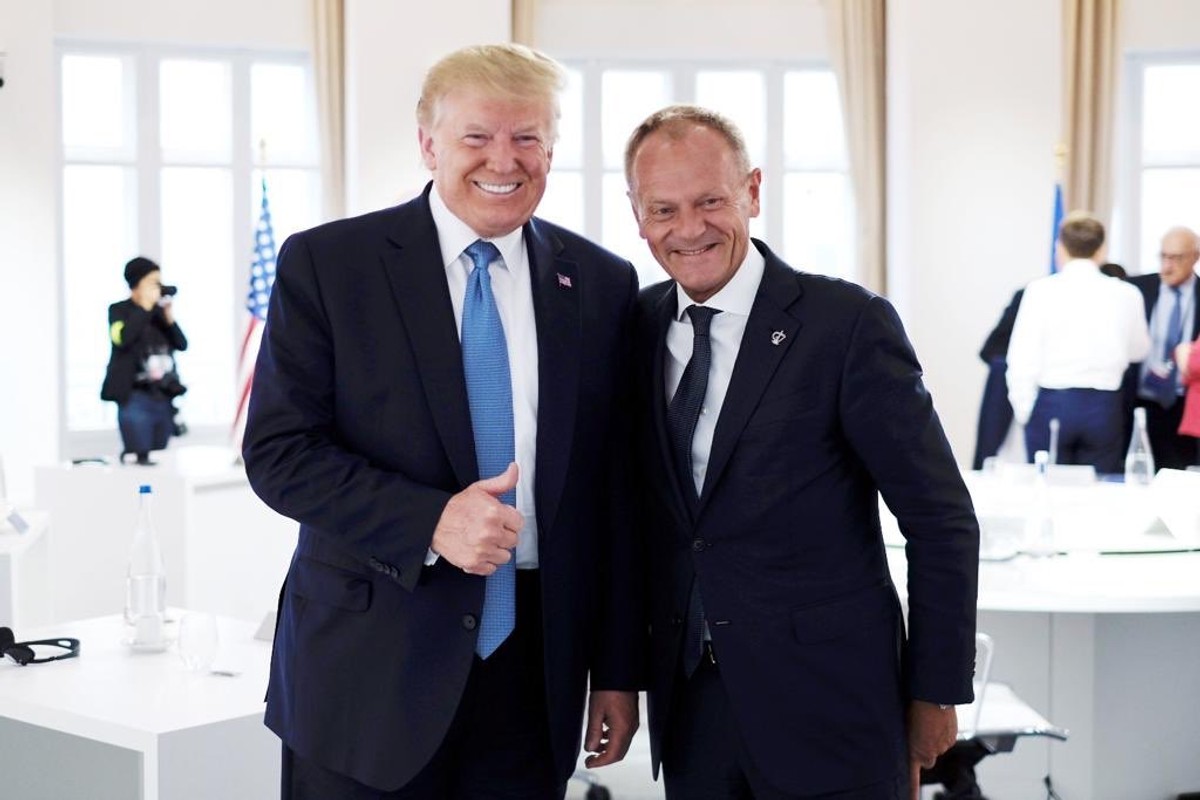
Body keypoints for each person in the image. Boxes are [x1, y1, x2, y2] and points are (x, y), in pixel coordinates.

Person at [241, 44, 641, 799]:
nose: (504, 160)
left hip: (533, 684)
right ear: (429, 145)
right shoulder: (330, 264)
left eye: (527, 137)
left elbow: (615, 493)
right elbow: (279, 452)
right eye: (477, 136)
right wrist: (431, 521)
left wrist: (618, 672)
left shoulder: (601, 283)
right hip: (365, 676)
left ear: (552, 147)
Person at [625, 105, 979, 799]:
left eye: (710, 201)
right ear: (638, 214)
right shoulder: (635, 326)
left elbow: (940, 518)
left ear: (752, 191)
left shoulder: (845, 325)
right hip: (693, 710)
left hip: (833, 706)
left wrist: (934, 691)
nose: (689, 229)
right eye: (664, 209)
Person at [1006, 213, 1151, 473]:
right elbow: (1139, 351)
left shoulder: (1040, 291)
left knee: (1047, 488)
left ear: (1060, 247)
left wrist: (1024, 410)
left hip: (1052, 403)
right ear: (1102, 249)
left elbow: (1021, 356)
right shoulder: (1127, 294)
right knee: (1099, 490)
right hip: (1104, 406)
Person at [100, 256, 188, 466]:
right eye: (152, 283)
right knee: (138, 459)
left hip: (163, 398)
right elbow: (122, 339)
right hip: (135, 398)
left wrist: (168, 317)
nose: (157, 288)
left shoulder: (159, 315)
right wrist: (145, 307)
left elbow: (182, 344)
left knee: (159, 458)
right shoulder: (118, 310)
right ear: (136, 284)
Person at [1131, 226, 1200, 470]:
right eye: (1163, 256)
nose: (1167, 266)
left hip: (1185, 404)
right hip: (1140, 402)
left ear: (1195, 257)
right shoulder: (1137, 289)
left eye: (1176, 258)